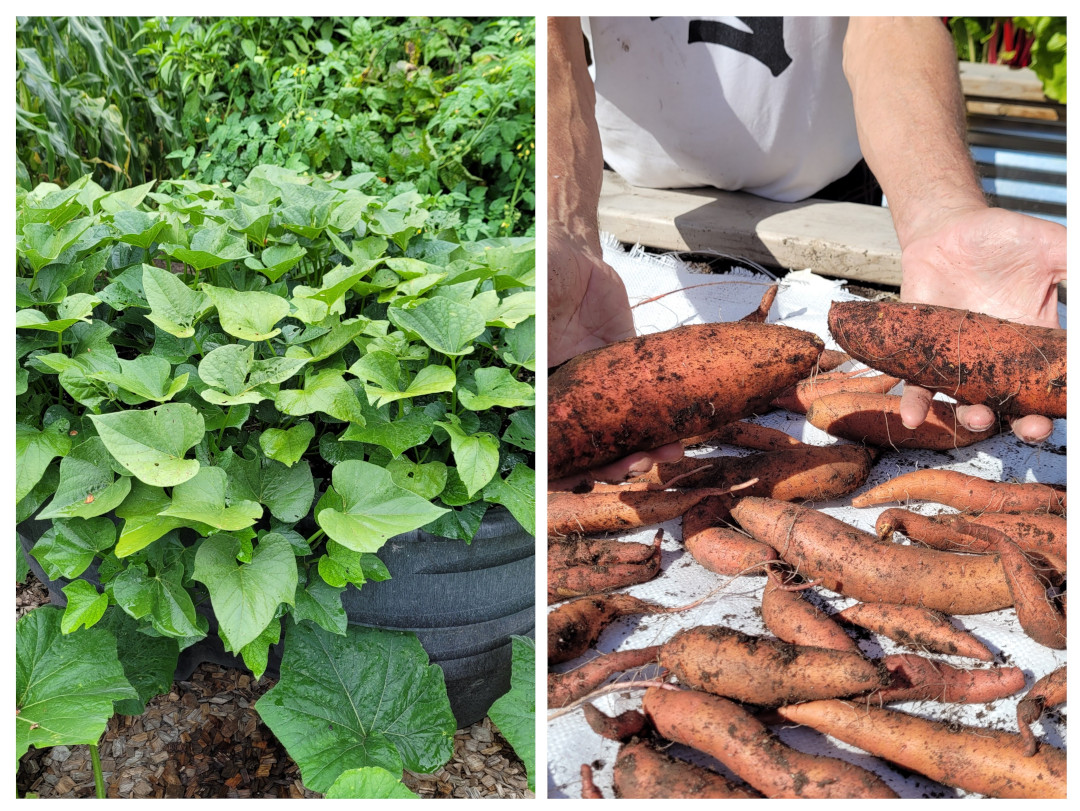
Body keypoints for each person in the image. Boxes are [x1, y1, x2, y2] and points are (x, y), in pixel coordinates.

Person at [549, 16, 1066, 483]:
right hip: (627, 197)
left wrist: (942, 211)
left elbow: (891, 19)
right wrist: (566, 230)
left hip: (826, 188)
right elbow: (553, 32)